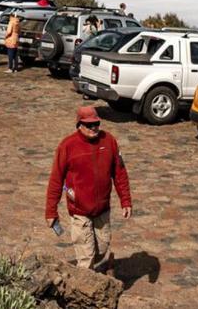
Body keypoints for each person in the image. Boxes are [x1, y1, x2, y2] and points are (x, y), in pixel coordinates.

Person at [45, 106, 133, 274]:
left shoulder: (109, 141)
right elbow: (56, 180)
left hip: (102, 210)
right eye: (89, 125)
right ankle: (85, 293)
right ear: (79, 125)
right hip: (80, 211)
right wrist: (51, 212)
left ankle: (87, 269)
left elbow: (120, 173)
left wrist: (126, 200)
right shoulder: (67, 146)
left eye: (96, 124)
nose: (94, 128)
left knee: (102, 248)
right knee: (86, 259)